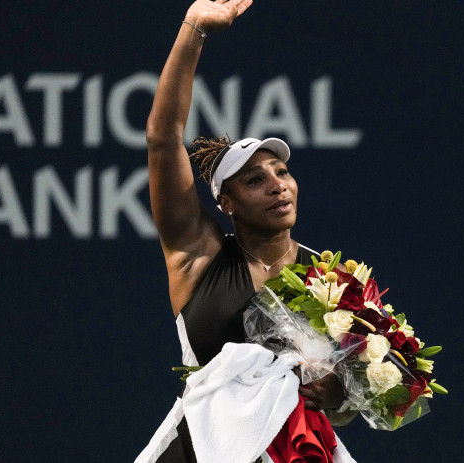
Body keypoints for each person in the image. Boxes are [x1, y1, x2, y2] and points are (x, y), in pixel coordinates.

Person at [136, 1, 351, 461]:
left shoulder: (330, 280)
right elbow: (162, 137)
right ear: (226, 203)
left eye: (282, 172)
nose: (278, 185)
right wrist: (194, 28)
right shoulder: (198, 256)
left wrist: (338, 395)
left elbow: (352, 392)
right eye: (255, 180)